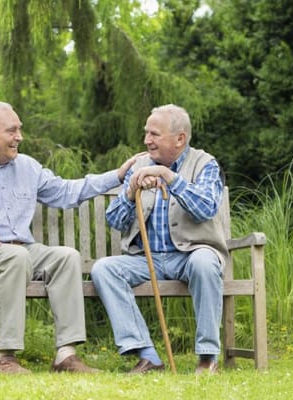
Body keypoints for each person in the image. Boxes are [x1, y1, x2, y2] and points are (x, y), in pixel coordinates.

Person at [0, 101, 136, 374]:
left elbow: (67, 192)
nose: (19, 136)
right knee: (16, 256)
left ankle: (66, 356)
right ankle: (4, 358)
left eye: (19, 129)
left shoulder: (28, 167)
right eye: (11, 131)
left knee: (67, 257)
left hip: (19, 251)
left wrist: (117, 175)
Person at [90, 104, 228, 375]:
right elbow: (115, 220)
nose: (146, 141)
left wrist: (171, 178)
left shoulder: (205, 164)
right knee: (103, 269)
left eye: (154, 134)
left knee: (204, 263)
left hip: (191, 254)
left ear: (180, 139)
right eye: (146, 133)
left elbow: (207, 209)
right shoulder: (139, 166)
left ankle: (207, 357)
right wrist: (131, 192)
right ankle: (148, 355)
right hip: (146, 259)